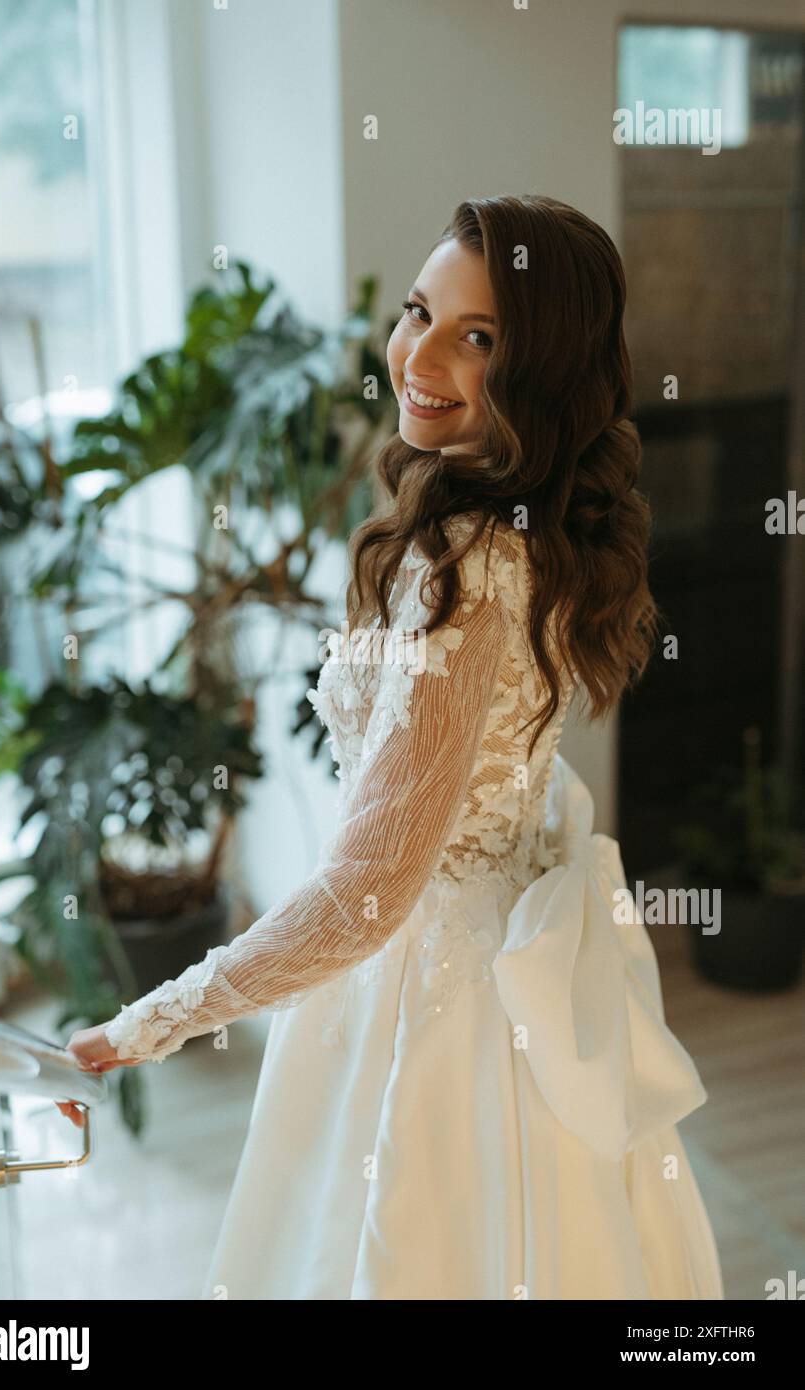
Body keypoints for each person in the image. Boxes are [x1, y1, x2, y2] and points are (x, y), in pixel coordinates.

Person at [60, 195, 724, 1301]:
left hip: (432, 1005)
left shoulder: (461, 571)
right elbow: (518, 766)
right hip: (489, 966)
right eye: (419, 311)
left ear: (542, 369)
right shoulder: (537, 533)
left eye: (478, 337)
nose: (418, 353)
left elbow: (369, 893)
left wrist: (156, 1016)